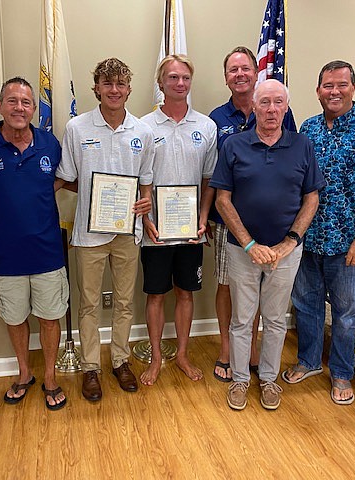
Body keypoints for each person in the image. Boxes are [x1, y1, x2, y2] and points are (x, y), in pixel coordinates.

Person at [210, 79, 324, 411]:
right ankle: (241, 380)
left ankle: (269, 380)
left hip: (285, 252)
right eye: (265, 103)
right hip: (242, 250)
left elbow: (312, 198)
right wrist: (249, 244)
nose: (271, 109)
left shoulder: (302, 145)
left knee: (275, 319)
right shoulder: (233, 145)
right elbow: (222, 200)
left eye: (278, 103)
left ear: (286, 107)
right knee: (242, 319)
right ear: (254, 106)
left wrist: (291, 242)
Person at [283, 60, 355, 405]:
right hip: (308, 237)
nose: (334, 91)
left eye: (341, 85)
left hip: (349, 242)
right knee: (306, 304)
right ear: (318, 91)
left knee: (344, 313)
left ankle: (342, 373)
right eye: (328, 86)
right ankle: (310, 361)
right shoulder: (308, 129)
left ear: (352, 88)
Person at [56, 58, 154, 402]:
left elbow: (146, 183)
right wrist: (94, 197)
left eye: (120, 84)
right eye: (107, 84)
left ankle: (120, 360)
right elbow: (66, 179)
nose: (114, 90)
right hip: (89, 234)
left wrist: (144, 204)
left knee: (126, 302)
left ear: (129, 89)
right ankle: (90, 367)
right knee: (88, 303)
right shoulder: (77, 128)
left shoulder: (143, 131)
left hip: (128, 232)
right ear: (96, 88)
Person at [0, 77, 69, 411]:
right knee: (15, 319)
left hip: (47, 252)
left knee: (50, 317)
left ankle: (51, 378)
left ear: (33, 109)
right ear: (0, 106)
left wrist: (41, 190)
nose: (19, 108)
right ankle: (25, 373)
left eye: (26, 102)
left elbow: (65, 178)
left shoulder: (49, 143)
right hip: (3, 253)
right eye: (12, 101)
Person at [209, 47, 299, 382]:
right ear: (226, 77)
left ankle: (254, 350)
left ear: (256, 73)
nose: (240, 75)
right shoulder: (217, 118)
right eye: (233, 70)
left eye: (246, 68)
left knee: (264, 289)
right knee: (227, 285)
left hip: (274, 230)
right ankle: (226, 350)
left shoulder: (279, 112)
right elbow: (211, 176)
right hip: (230, 222)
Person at [139, 54, 217, 386]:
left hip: (190, 231)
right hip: (155, 230)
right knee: (156, 295)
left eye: (185, 77)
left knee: (186, 293)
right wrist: (145, 220)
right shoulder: (142, 125)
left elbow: (209, 180)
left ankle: (182, 355)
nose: (180, 83)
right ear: (160, 83)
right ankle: (157, 358)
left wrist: (202, 218)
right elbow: (139, 179)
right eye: (172, 78)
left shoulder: (206, 126)